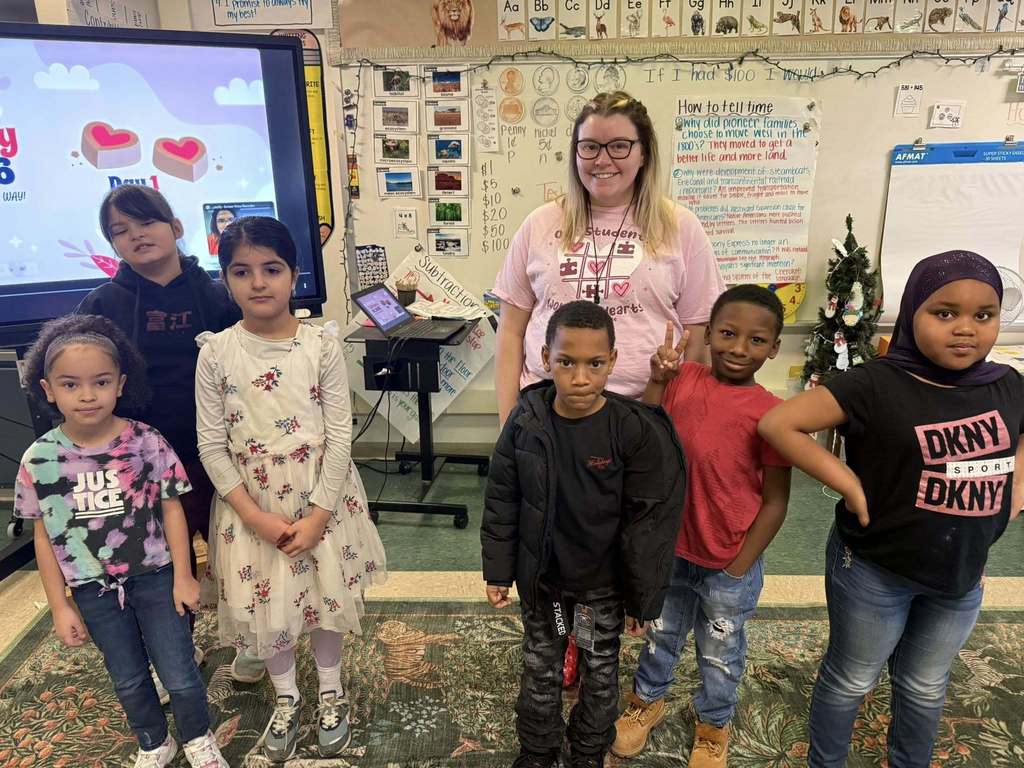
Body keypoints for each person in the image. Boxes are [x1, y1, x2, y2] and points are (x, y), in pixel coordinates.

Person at [758, 251, 1024, 767]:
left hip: (961, 573)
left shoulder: (1007, 384)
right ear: (912, 311)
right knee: (852, 678)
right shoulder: (876, 383)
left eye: (984, 315)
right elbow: (778, 424)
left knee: (925, 684)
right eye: (944, 312)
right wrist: (849, 485)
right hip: (876, 570)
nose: (965, 328)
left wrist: (1017, 488)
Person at [195, 216, 387, 761]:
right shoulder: (215, 352)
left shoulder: (320, 345)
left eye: (272, 269)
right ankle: (287, 696)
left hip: (320, 496)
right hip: (251, 505)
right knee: (268, 605)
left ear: (294, 273)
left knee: (326, 596)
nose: (258, 282)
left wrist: (320, 513)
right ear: (225, 280)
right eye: (242, 271)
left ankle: (330, 690)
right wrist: (255, 517)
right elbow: (211, 445)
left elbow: (340, 433)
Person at [13, 314, 228, 768]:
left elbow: (173, 509)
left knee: (180, 673)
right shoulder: (39, 459)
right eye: (70, 384)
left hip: (156, 577)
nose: (87, 395)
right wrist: (59, 605)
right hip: (92, 590)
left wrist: (185, 576)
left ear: (121, 384)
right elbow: (44, 538)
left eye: (101, 382)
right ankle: (154, 742)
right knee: (128, 678)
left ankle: (197, 737)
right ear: (48, 389)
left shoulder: (146, 441)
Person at [481, 300, 687, 768]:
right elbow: (502, 499)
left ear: (612, 361)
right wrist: (497, 571)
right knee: (541, 670)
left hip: (601, 593)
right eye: (566, 362)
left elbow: (648, 523)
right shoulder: (525, 421)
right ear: (545, 357)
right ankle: (538, 749)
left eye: (594, 364)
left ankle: (589, 748)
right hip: (546, 588)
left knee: (599, 673)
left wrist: (642, 599)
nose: (579, 378)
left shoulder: (630, 428)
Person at [611, 285, 792, 768]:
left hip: (728, 561)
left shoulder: (772, 412)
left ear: (774, 348)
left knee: (720, 650)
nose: (739, 348)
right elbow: (645, 433)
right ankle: (646, 699)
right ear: (708, 334)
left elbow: (776, 501)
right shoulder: (682, 377)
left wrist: (740, 566)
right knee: (660, 633)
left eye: (757, 340)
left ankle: (713, 724)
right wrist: (657, 379)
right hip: (670, 551)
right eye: (728, 334)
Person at [77, 185, 247, 692]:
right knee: (162, 564)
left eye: (146, 222)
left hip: (219, 452)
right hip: (142, 464)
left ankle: (255, 638)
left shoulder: (220, 296)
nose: (136, 235)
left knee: (239, 551)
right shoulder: (101, 306)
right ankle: (178, 651)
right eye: (120, 230)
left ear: (175, 227)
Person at [493, 90, 724, 426]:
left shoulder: (680, 226)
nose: (602, 160)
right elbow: (510, 332)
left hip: (645, 414)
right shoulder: (540, 223)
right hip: (547, 412)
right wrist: (507, 424)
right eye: (589, 147)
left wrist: (682, 425)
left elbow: (697, 339)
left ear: (643, 153)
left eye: (619, 146)